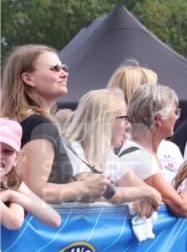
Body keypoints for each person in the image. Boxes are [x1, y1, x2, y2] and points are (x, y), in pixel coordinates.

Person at [1, 45, 109, 204]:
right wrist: (84, 187)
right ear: (28, 78)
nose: (64, 73)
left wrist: (73, 182)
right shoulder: (40, 125)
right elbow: (33, 191)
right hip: (37, 227)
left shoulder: (17, 123)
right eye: (55, 69)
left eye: (64, 68)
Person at [62, 89, 163, 217]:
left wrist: (143, 195)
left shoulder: (107, 156)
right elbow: (94, 193)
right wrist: (143, 193)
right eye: (125, 119)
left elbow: (149, 193)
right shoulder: (72, 149)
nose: (129, 126)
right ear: (105, 120)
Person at [118, 84, 187, 218]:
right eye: (175, 112)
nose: (177, 117)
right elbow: (182, 208)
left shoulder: (152, 152)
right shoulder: (139, 157)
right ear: (159, 119)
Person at [1, 118, 61, 229]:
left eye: (7, 151)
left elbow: (54, 219)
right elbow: (14, 222)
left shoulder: (10, 181)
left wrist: (12, 195)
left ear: (16, 159)